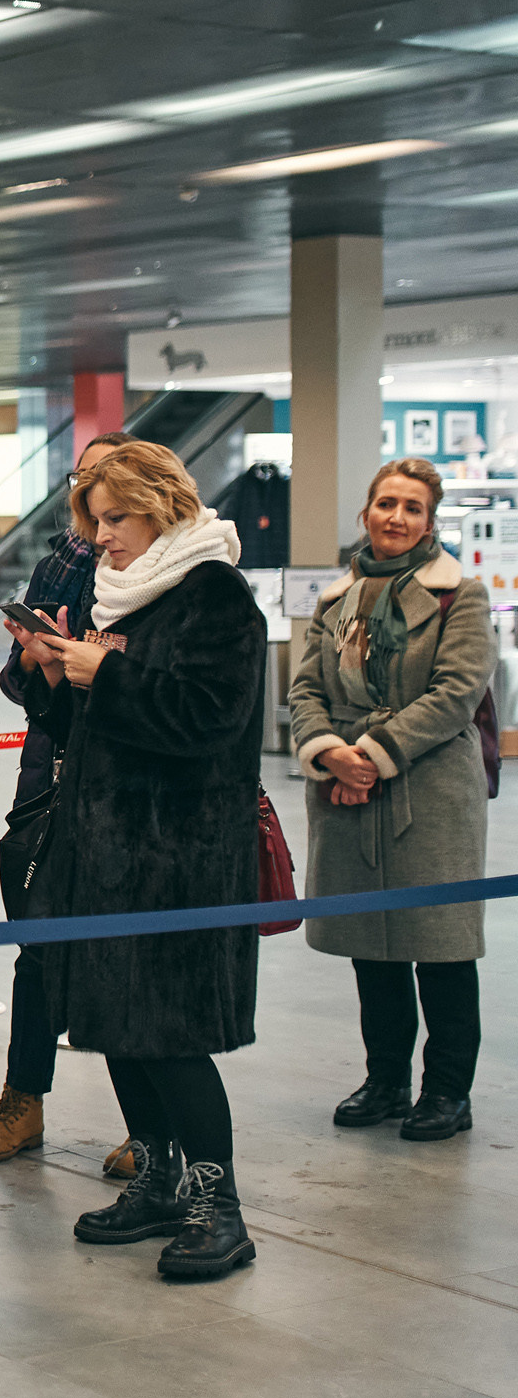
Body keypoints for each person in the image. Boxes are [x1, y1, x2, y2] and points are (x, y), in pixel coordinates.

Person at [8, 440, 263, 1280]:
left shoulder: (214, 595)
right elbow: (96, 728)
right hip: (109, 855)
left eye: (116, 518)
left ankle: (217, 1204)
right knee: (118, 1026)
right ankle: (157, 1176)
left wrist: (102, 675)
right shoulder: (127, 596)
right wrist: (57, 674)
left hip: (178, 860)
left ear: (163, 506)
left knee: (172, 1035)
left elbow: (208, 718)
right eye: (94, 521)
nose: (102, 538)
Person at [290, 457, 490, 1141]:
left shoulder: (458, 595)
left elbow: (456, 692)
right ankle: (386, 1078)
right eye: (386, 504)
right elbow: (305, 689)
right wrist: (330, 753)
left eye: (411, 507)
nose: (396, 517)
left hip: (429, 788)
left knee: (439, 943)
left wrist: (370, 757)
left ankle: (447, 1090)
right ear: (366, 513)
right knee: (369, 944)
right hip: (347, 789)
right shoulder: (334, 599)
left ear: (429, 520)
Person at [0, 429, 139, 1175]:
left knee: (130, 955)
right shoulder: (59, 564)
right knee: (38, 946)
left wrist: (96, 668)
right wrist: (45, 662)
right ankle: (21, 1099)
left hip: (133, 787)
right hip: (52, 774)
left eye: (111, 485)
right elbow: (14, 680)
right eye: (85, 480)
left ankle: (148, 1125)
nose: (96, 508)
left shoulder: (165, 577)